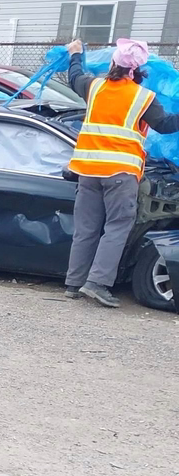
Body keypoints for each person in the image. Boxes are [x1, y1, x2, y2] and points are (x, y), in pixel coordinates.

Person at [63, 38, 179, 307]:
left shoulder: (95, 87)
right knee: (117, 227)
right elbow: (165, 124)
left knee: (86, 228)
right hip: (120, 173)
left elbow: (75, 77)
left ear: (113, 63)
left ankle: (74, 283)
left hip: (88, 170)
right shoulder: (143, 97)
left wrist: (75, 54)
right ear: (138, 69)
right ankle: (97, 283)